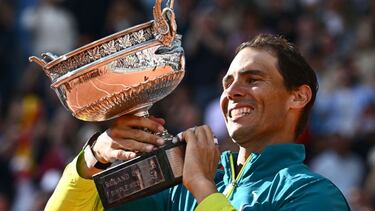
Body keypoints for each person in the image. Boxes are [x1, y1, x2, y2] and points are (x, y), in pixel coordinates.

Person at [45, 34, 349, 210]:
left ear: (298, 97)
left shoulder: (313, 195)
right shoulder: (178, 189)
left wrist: (203, 188)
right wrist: (93, 159)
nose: (232, 92)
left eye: (253, 79)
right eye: (227, 83)